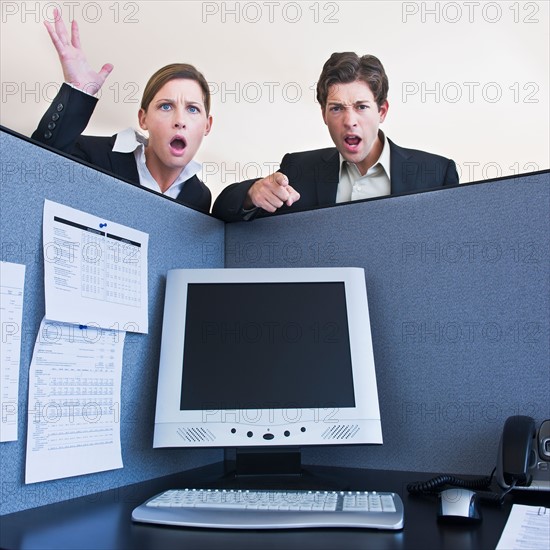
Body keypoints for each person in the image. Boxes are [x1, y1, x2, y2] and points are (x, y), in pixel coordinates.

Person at [212, 52, 459, 222]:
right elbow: (222, 213)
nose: (349, 121)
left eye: (361, 107)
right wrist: (251, 194)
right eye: (337, 108)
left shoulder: (436, 174)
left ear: (381, 111)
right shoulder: (298, 170)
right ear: (324, 114)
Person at [32, 11, 213, 213]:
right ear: (143, 119)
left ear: (207, 126)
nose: (180, 120)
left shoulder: (200, 197)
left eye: (193, 109)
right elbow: (37, 171)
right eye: (166, 106)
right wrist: (77, 93)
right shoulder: (93, 154)